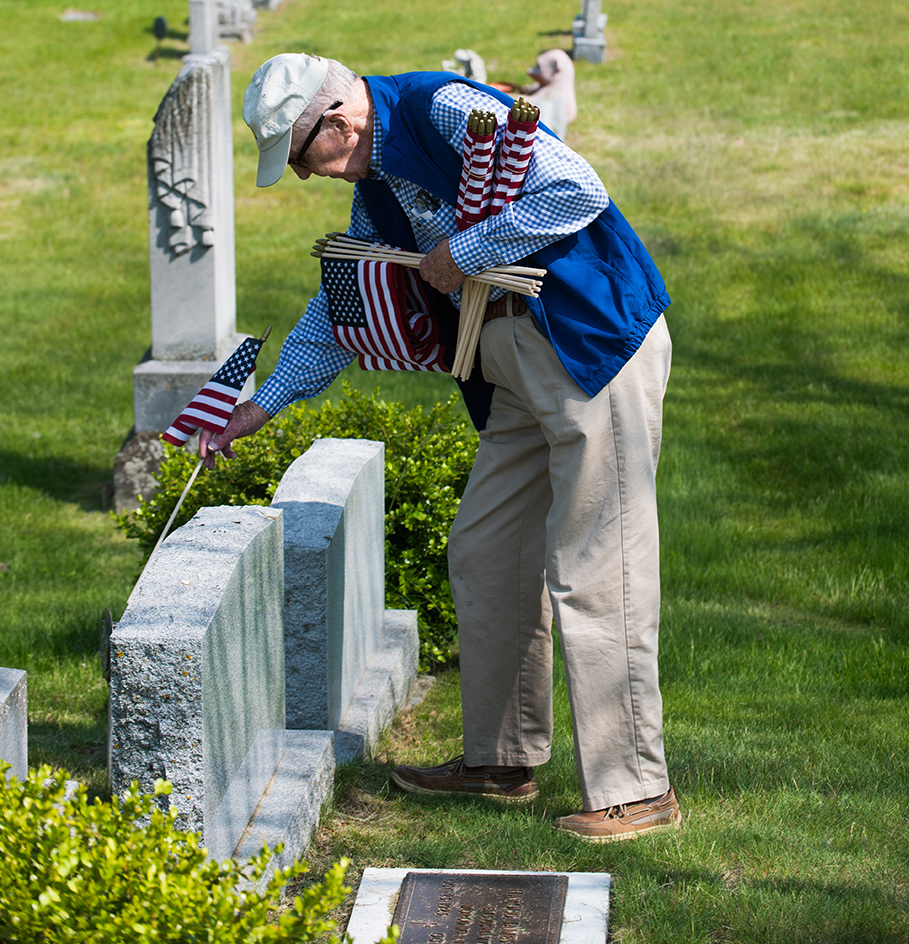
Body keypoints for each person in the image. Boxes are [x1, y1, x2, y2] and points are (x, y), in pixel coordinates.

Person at [200, 52, 680, 842]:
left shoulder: (443, 110)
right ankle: (500, 758)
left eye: (298, 157)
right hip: (513, 369)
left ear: (338, 124)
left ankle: (638, 786)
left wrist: (469, 248)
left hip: (592, 341)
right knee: (486, 548)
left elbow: (577, 189)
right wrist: (263, 404)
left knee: (599, 560)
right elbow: (340, 305)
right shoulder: (375, 185)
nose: (305, 177)